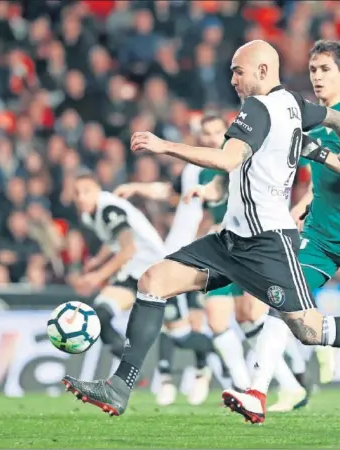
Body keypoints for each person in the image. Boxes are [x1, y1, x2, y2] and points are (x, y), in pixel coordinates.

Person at [62, 39, 340, 423]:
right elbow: (331, 118)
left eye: (238, 70)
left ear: (262, 70)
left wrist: (164, 146)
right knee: (153, 280)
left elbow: (227, 159)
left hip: (267, 245)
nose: (233, 79)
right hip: (229, 241)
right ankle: (119, 386)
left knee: (308, 330)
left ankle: (267, 389)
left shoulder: (259, 108)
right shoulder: (294, 105)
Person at [114, 114, 251, 404]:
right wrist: (137, 188)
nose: (212, 138)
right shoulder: (192, 168)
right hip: (180, 253)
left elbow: (220, 202)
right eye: (207, 133)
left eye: (217, 132)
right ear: (200, 138)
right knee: (175, 321)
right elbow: (170, 191)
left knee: (224, 320)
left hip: (214, 253)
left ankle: (210, 373)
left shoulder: (236, 164)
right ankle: (194, 374)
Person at [245, 39, 340, 414]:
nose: (316, 77)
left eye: (325, 70)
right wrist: (300, 208)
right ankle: (256, 392)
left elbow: (327, 163)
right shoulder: (313, 121)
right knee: (282, 300)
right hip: (322, 237)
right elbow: (321, 183)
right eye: (313, 70)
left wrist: (321, 154)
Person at [70, 170, 214, 364]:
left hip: (156, 273)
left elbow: (128, 248)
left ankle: (217, 347)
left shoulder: (109, 209)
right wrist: (98, 259)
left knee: (181, 337)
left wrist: (97, 276)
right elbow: (114, 239)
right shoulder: (90, 215)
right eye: (76, 193)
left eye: (86, 191)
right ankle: (128, 372)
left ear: (98, 190)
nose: (81, 198)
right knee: (100, 315)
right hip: (132, 274)